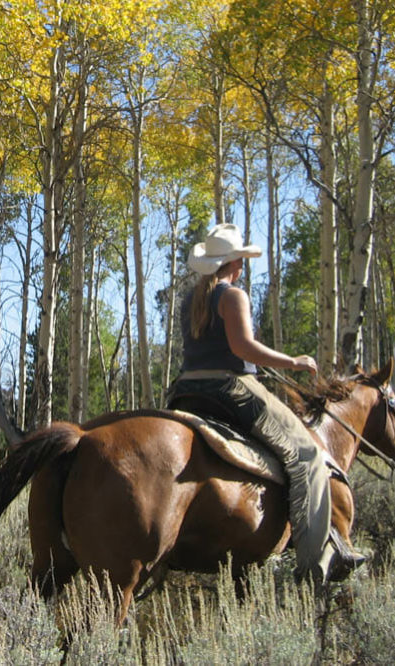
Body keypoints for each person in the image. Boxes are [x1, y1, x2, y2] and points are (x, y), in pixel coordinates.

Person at [166, 223, 363, 583]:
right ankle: (316, 563)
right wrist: (293, 362)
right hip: (232, 389)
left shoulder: (190, 300)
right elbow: (243, 349)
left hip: (187, 390)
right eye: (240, 260)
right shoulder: (232, 296)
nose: (242, 266)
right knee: (307, 456)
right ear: (234, 264)